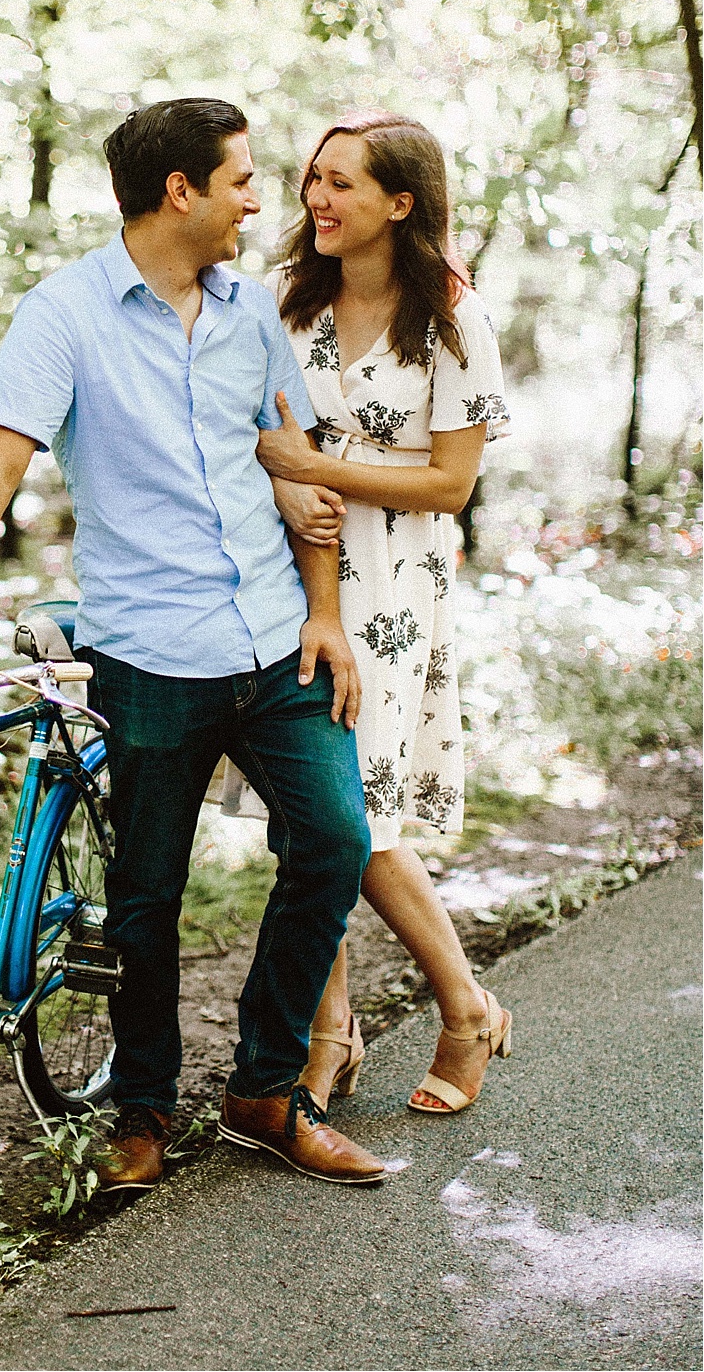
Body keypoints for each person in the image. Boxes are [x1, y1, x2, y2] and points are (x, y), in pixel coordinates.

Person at [0, 98, 386, 1190]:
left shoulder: (253, 313)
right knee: (146, 896)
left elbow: (296, 470)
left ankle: (263, 1087)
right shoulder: (63, 315)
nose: (264, 197)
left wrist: (326, 610)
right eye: (243, 179)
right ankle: (141, 1110)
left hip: (272, 643)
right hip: (149, 653)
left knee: (335, 843)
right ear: (180, 192)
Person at [256, 108, 513, 1117]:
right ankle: (333, 1030)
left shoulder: (454, 319)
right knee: (300, 818)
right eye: (313, 178)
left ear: (399, 203)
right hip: (280, 578)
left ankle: (461, 1005)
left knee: (354, 816)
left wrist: (313, 464)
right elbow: (252, 435)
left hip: (392, 587)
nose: (317, 197)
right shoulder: (286, 306)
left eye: (342, 183)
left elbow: (452, 483)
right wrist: (283, 484)